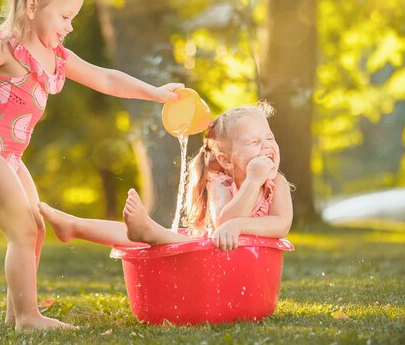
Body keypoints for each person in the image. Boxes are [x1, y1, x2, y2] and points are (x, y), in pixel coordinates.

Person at [0, 0, 183, 331]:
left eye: (73, 18)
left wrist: (156, 94)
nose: (69, 27)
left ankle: (16, 314)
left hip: (9, 156)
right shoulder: (4, 49)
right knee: (21, 231)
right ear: (33, 6)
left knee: (36, 229)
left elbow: (107, 79)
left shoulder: (54, 57)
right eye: (65, 17)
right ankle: (28, 318)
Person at [39, 101, 293, 252]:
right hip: (209, 261)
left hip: (243, 270)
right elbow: (224, 222)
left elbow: (280, 225)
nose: (267, 146)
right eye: (255, 142)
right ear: (226, 160)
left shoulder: (276, 184)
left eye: (269, 138)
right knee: (161, 241)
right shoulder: (220, 182)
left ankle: (146, 232)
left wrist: (239, 224)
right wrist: (251, 182)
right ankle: (74, 225)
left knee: (156, 237)